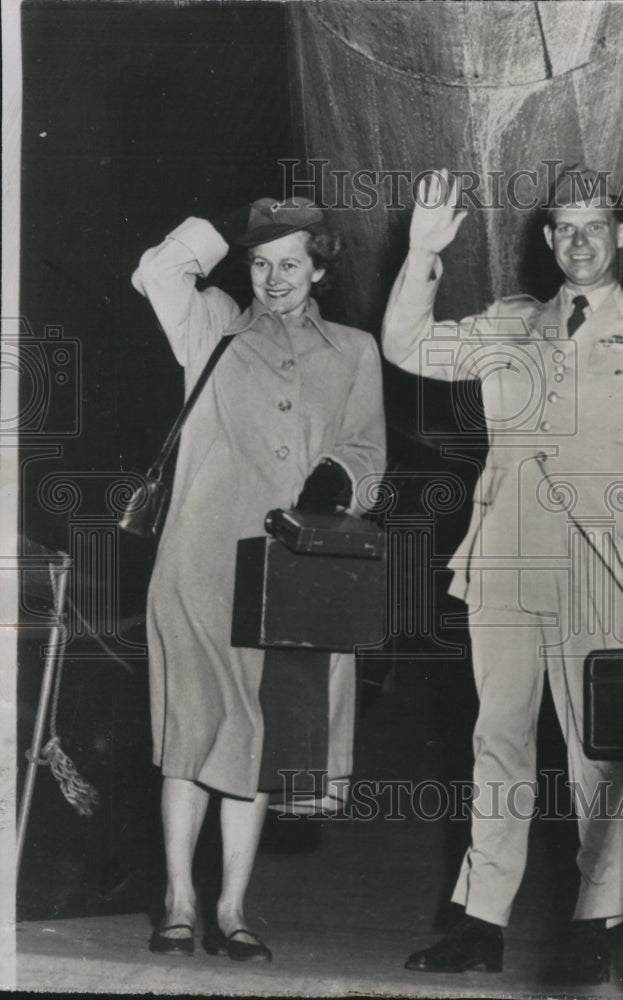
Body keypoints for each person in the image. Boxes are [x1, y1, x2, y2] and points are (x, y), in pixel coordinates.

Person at [382, 167, 623, 982]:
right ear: (546, 239)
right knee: (496, 742)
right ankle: (480, 919)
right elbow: (405, 345)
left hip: (601, 562)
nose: (578, 241)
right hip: (503, 558)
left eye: (594, 226)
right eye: (564, 228)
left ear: (622, 235)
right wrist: (422, 251)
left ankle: (595, 920)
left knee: (597, 751)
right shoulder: (508, 323)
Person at [132, 197, 386, 961]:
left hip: (290, 572)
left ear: (319, 269)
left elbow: (369, 452)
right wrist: (221, 227)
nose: (274, 278)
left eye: (290, 262)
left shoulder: (353, 350)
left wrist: (337, 478)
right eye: (260, 262)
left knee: (262, 735)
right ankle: (178, 901)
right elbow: (155, 270)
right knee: (192, 727)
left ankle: (234, 908)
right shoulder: (210, 323)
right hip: (198, 563)